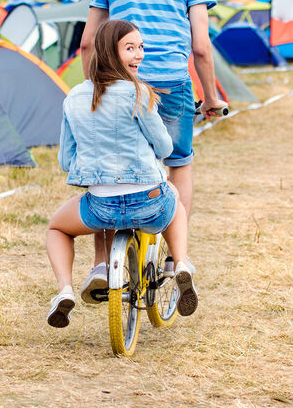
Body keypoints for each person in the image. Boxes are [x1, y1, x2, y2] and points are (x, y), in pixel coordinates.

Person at [76, 0, 225, 301]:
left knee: (110, 166)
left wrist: (95, 90)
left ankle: (103, 265)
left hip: (117, 83)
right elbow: (201, 47)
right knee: (179, 164)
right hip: (173, 84)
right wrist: (211, 96)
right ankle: (178, 260)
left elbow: (89, 42)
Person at [46, 20, 195, 327]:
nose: (139, 54)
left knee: (57, 229)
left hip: (101, 208)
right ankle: (180, 263)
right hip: (151, 200)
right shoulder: (137, 92)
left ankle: (64, 289)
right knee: (176, 202)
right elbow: (165, 148)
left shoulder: (74, 97)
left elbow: (65, 160)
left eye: (141, 47)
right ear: (111, 53)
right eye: (130, 48)